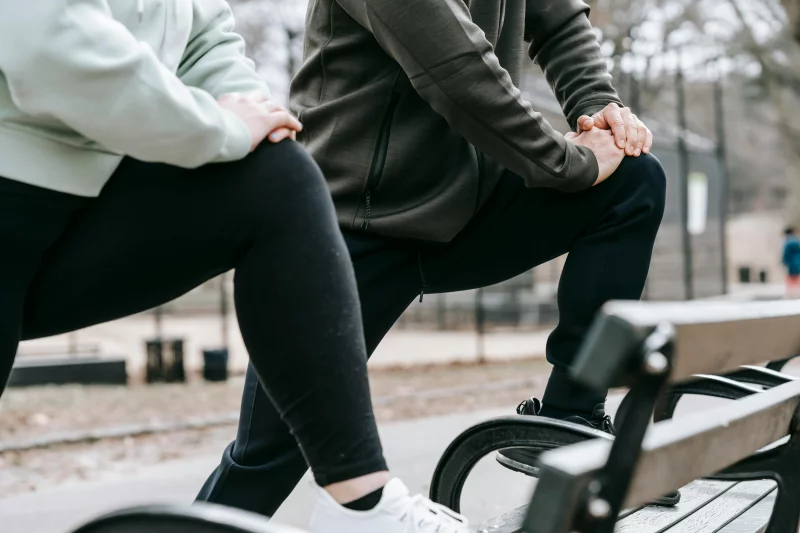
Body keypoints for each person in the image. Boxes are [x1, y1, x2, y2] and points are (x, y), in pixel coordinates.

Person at [0, 1, 469, 532]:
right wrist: (219, 128)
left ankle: (362, 506)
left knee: (277, 180)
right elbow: (51, 45)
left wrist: (252, 117)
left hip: (80, 196)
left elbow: (204, 36)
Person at [198, 0, 677, 516]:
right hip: (349, 225)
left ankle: (569, 417)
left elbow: (558, 20)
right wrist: (569, 162)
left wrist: (598, 107)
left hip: (466, 204)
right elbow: (456, 69)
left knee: (632, 180)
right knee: (269, 453)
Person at [783, 228, 800, 298]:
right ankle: (797, 291)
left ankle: (791, 292)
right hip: (798, 261)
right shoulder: (797, 241)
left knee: (791, 277)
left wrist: (784, 261)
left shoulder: (788, 242)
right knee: (797, 276)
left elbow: (786, 254)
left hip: (791, 263)